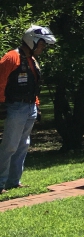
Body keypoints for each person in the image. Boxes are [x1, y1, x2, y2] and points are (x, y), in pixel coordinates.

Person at [0, 26, 57, 192]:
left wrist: (37, 105)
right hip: (16, 107)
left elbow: (35, 85)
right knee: (10, 145)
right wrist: (1, 104)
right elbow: (1, 81)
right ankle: (1, 182)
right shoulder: (12, 57)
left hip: (30, 106)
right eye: (42, 44)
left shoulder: (32, 60)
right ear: (32, 41)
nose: (43, 47)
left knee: (23, 145)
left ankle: (13, 181)